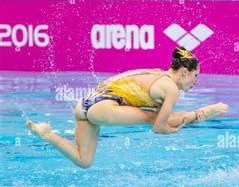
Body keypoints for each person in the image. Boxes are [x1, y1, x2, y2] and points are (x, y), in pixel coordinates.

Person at [26, 47, 228, 168]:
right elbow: (158, 126)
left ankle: (46, 134)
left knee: (84, 161)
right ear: (184, 71)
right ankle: (206, 111)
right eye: (195, 76)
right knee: (152, 117)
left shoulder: (157, 74)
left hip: (85, 103)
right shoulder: (171, 88)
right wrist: (172, 128)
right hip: (103, 106)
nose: (196, 82)